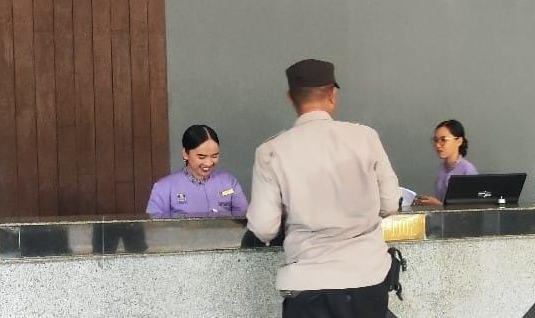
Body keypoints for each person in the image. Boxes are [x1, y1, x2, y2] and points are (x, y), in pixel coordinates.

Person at [247, 59, 401, 318]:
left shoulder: (271, 151)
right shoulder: (365, 137)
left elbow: (264, 227)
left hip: (307, 283)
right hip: (367, 277)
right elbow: (390, 203)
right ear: (332, 94)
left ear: (290, 98)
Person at [146, 125, 248, 217]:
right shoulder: (164, 187)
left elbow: (244, 218)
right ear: (185, 154)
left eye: (214, 156)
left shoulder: (229, 182)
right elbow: (154, 227)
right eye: (201, 157)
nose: (208, 163)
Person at [414, 119, 478, 206]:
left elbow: (472, 209)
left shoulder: (467, 170)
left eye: (443, 140)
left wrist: (438, 205)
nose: (438, 145)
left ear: (459, 141)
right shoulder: (441, 168)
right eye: (436, 140)